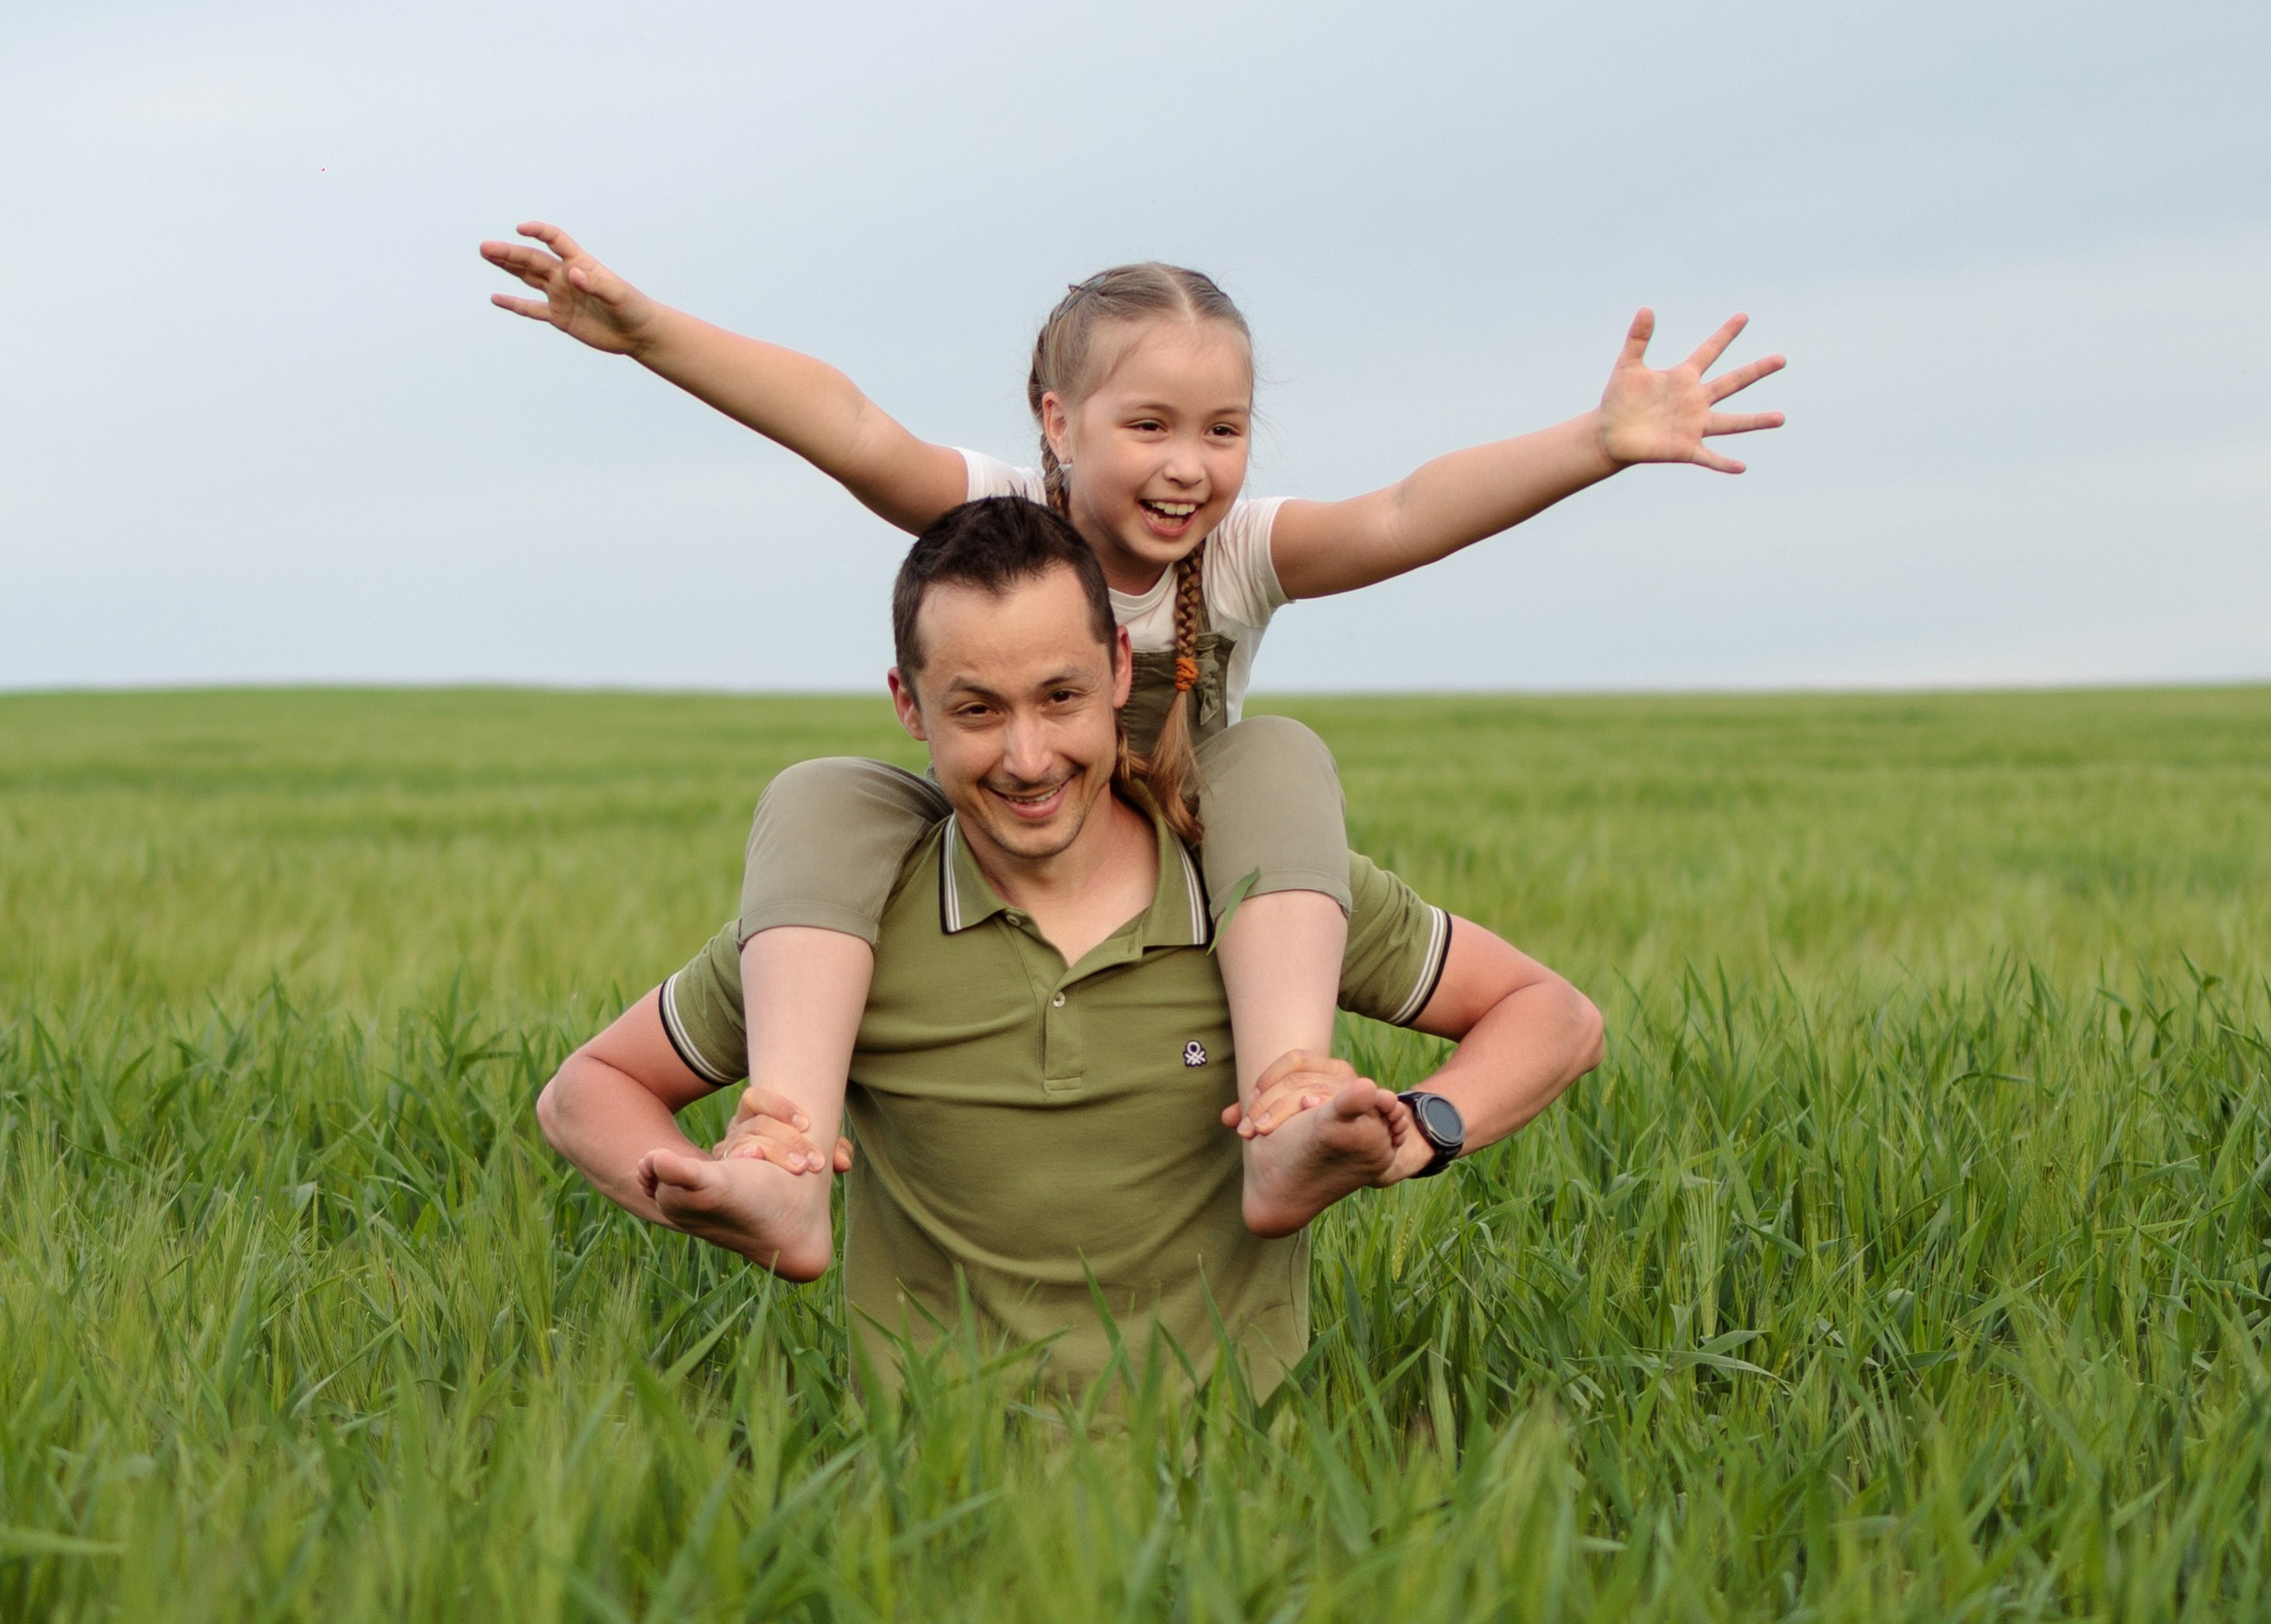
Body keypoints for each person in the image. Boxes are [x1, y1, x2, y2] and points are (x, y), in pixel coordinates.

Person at [487, 231, 1778, 1228]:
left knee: (1269, 757)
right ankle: (783, 1148)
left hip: (1187, 833)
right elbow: (851, 426)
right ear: (1058, 421)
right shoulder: (998, 517)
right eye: (1148, 425)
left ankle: (1288, 1095)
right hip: (1002, 825)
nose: (1187, 466)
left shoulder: (1239, 553)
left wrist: (1595, 444)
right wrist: (653, 335)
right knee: (829, 796)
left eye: (1223, 431)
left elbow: (1403, 512)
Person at [537, 495, 1603, 1400]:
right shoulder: (838, 930)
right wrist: (706, 1189)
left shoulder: (1263, 896)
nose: (1027, 756)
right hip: (932, 1489)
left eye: (1059, 698)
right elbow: (588, 1089)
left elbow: (1552, 1016)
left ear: (1116, 670)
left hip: (1242, 1486)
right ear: (908, 705)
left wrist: (1420, 1132)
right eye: (976, 710)